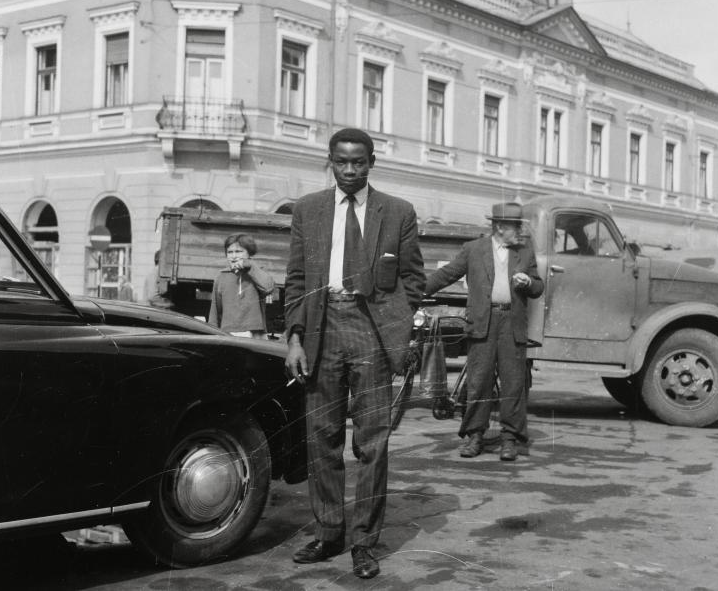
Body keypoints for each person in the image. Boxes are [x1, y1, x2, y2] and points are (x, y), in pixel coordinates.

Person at [284, 127, 425, 579]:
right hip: (322, 332)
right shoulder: (307, 210)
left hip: (371, 334)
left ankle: (365, 542)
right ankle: (329, 533)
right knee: (321, 440)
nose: (349, 170)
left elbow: (414, 278)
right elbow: (295, 281)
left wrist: (394, 328)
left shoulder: (398, 212)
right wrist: (295, 339)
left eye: (358, 162)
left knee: (373, 443)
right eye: (342, 161)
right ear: (330, 160)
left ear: (371, 163)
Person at [425, 202, 543, 462]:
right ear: (500, 227)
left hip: (511, 323)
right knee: (479, 381)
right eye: (515, 227)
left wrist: (529, 282)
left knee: (513, 383)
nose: (520, 233)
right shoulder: (474, 249)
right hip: (482, 322)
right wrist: (417, 292)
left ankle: (510, 439)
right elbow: (447, 274)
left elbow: (538, 287)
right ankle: (474, 436)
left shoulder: (524, 251)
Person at [208, 234, 274, 338]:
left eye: (239, 252)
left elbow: (268, 288)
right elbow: (215, 311)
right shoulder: (221, 276)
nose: (234, 256)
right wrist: (212, 334)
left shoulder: (257, 272)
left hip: (255, 333)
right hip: (228, 332)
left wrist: (251, 266)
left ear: (249, 254)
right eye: (230, 252)